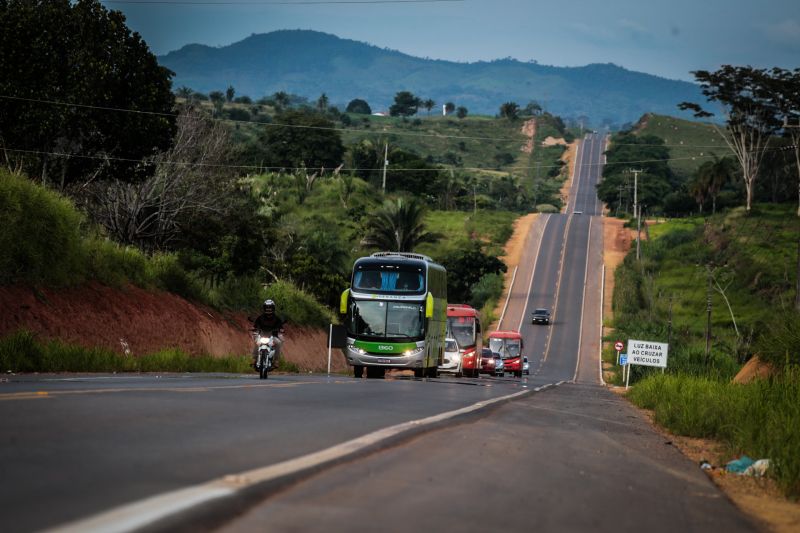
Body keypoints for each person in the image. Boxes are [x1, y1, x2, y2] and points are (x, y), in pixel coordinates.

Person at [252, 299, 285, 369]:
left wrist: (281, 329)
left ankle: (276, 361)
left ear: (273, 308)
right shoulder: (260, 318)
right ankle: (254, 359)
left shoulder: (277, 319)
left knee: (279, 343)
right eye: (267, 307)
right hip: (262, 335)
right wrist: (254, 328)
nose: (268, 309)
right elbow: (255, 325)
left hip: (272, 336)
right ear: (264, 308)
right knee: (257, 342)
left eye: (270, 307)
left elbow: (281, 327)